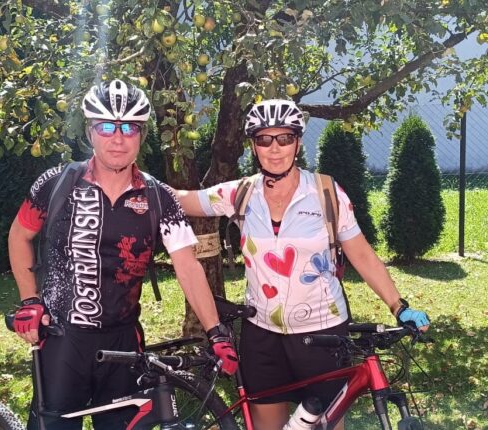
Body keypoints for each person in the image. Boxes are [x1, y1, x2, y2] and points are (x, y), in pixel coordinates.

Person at [175, 99, 430, 430]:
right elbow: (184, 200)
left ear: (297, 143)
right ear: (253, 146)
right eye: (264, 139)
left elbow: (363, 255)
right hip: (262, 335)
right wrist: (135, 181)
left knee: (325, 425)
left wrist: (399, 306)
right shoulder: (241, 193)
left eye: (285, 138)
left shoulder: (326, 192)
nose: (275, 149)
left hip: (323, 334)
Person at [7, 79, 238, 430]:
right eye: (106, 127)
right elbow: (19, 235)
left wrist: (216, 332)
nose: (118, 138)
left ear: (141, 135)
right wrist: (29, 301)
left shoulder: (159, 197)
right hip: (61, 338)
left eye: (129, 128)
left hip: (123, 343)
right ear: (90, 131)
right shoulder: (56, 183)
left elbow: (188, 267)